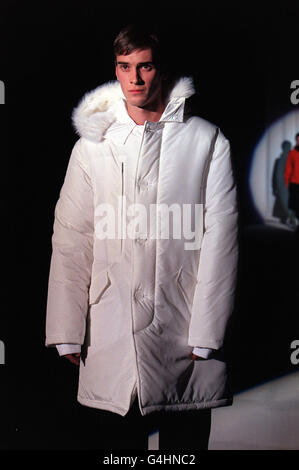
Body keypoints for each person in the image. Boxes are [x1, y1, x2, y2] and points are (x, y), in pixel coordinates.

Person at [45, 24, 239, 450]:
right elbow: (73, 237)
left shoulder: (206, 140)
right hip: (109, 326)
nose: (134, 79)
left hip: (183, 325)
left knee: (183, 451)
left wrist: (208, 332)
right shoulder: (92, 145)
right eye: (124, 66)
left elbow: (220, 238)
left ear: (161, 70)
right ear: (115, 70)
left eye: (145, 66)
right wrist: (66, 326)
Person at [284, 132, 299, 225]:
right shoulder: (292, 153)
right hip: (295, 183)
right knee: (296, 205)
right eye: (298, 140)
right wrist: (287, 182)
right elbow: (288, 168)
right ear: (296, 141)